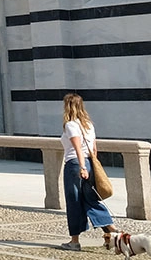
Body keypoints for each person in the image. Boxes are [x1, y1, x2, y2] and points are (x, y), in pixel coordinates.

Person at [59, 92, 117, 251]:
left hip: (75, 165)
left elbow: (77, 147)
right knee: (90, 199)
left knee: (74, 201)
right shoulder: (88, 125)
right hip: (90, 164)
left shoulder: (71, 125)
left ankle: (74, 241)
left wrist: (82, 167)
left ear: (68, 106)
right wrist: (89, 167)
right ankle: (113, 230)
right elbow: (94, 149)